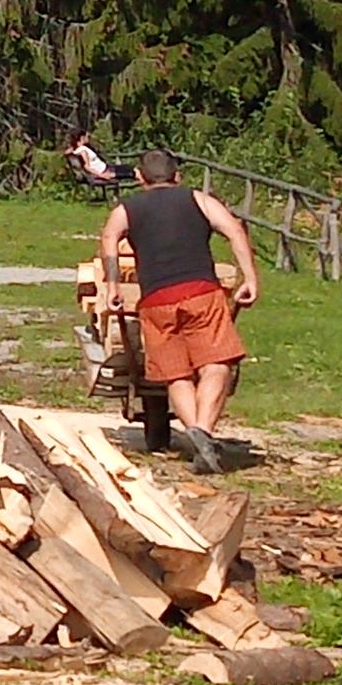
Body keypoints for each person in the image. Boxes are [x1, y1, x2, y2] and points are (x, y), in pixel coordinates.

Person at [94, 148, 260, 471]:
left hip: (156, 301)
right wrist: (249, 277)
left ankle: (199, 437)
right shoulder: (198, 200)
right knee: (217, 364)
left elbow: (109, 239)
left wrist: (114, 286)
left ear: (140, 178)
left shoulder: (126, 209)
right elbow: (235, 230)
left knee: (176, 374)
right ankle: (203, 432)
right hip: (202, 294)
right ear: (177, 176)